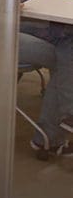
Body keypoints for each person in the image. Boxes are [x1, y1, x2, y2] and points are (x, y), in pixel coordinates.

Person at [18, 22, 73, 157]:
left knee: (67, 49)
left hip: (27, 23)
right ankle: (51, 136)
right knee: (66, 57)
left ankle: (50, 137)